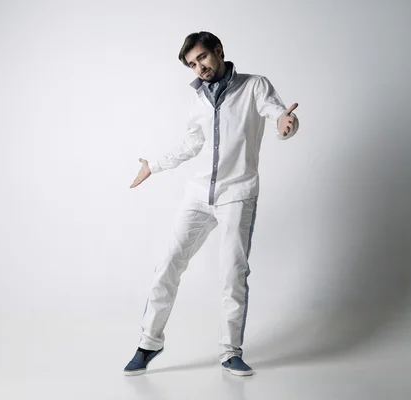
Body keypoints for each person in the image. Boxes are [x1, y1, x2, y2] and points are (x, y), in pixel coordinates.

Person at [124, 31, 299, 377]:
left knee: (233, 273)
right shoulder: (198, 99)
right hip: (199, 195)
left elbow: (279, 116)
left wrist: (286, 126)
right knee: (168, 264)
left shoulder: (254, 86)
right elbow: (191, 144)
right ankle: (149, 343)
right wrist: (153, 165)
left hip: (237, 193)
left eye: (202, 58)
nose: (199, 68)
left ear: (218, 51)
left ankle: (230, 351)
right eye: (192, 64)